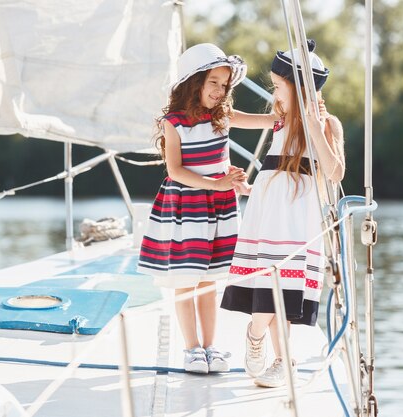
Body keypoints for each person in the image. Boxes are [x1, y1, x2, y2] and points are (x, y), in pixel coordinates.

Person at [136, 43, 276, 374]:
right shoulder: (175, 122)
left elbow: (266, 121)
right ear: (194, 81)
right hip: (187, 207)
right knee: (187, 280)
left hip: (220, 207)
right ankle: (191, 349)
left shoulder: (222, 117)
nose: (219, 90)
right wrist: (216, 184)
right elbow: (176, 171)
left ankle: (210, 346)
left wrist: (292, 114)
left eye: (224, 85)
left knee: (210, 282)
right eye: (213, 82)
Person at [220, 41, 345, 387]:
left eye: (278, 86)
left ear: (301, 89)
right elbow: (226, 118)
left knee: (284, 291)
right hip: (268, 211)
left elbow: (335, 172)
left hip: (297, 218)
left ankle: (274, 351)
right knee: (267, 281)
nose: (273, 93)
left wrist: (315, 126)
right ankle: (264, 343)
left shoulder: (328, 124)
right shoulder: (277, 121)